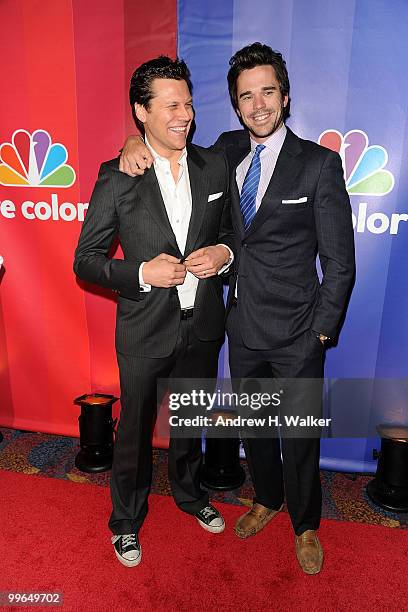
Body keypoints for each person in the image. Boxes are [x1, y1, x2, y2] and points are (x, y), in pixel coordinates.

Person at [120, 42, 355, 575]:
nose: (258, 105)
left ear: (285, 97)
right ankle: (267, 500)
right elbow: (164, 144)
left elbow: (340, 263)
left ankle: (307, 524)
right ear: (236, 105)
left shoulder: (319, 165)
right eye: (246, 96)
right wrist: (129, 142)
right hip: (240, 326)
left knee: (299, 435)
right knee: (256, 429)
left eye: (267, 92)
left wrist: (321, 332)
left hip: (300, 332)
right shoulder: (224, 151)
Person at [74, 56, 234, 568]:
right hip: (144, 328)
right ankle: (125, 521)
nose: (184, 114)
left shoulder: (215, 165)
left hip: (202, 326)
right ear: (141, 113)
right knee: (133, 435)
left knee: (189, 423)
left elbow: (233, 234)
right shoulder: (117, 176)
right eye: (171, 105)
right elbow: (86, 260)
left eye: (188, 103)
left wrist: (223, 254)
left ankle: (189, 495)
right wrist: (141, 273)